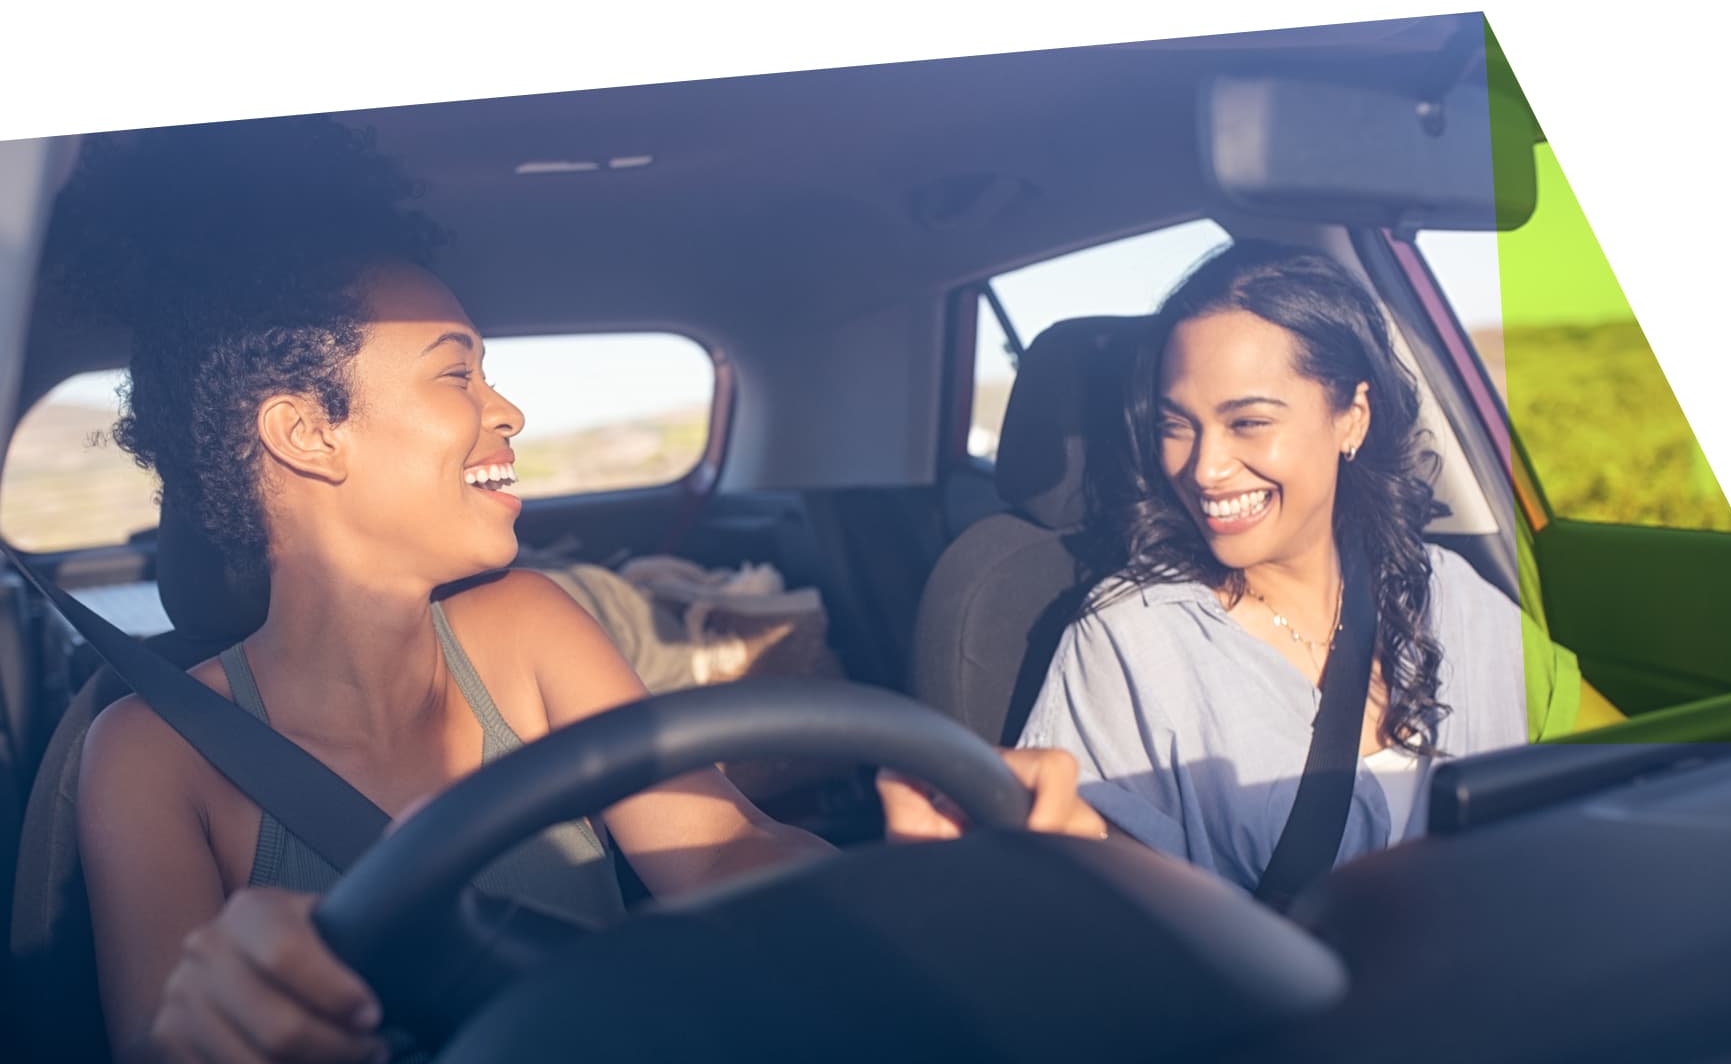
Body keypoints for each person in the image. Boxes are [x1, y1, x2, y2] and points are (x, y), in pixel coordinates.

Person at [45, 117, 1101, 1064]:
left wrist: (910, 883)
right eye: (457, 373)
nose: (508, 412)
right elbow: (156, 1040)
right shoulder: (146, 754)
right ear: (306, 433)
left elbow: (722, 850)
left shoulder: (532, 627)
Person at [1011, 240, 1607, 892]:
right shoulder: (1129, 639)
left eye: (1248, 422)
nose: (1204, 468)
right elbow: (1093, 885)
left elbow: (1642, 767)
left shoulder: (1449, 593)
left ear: (1352, 419)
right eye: (1175, 425)